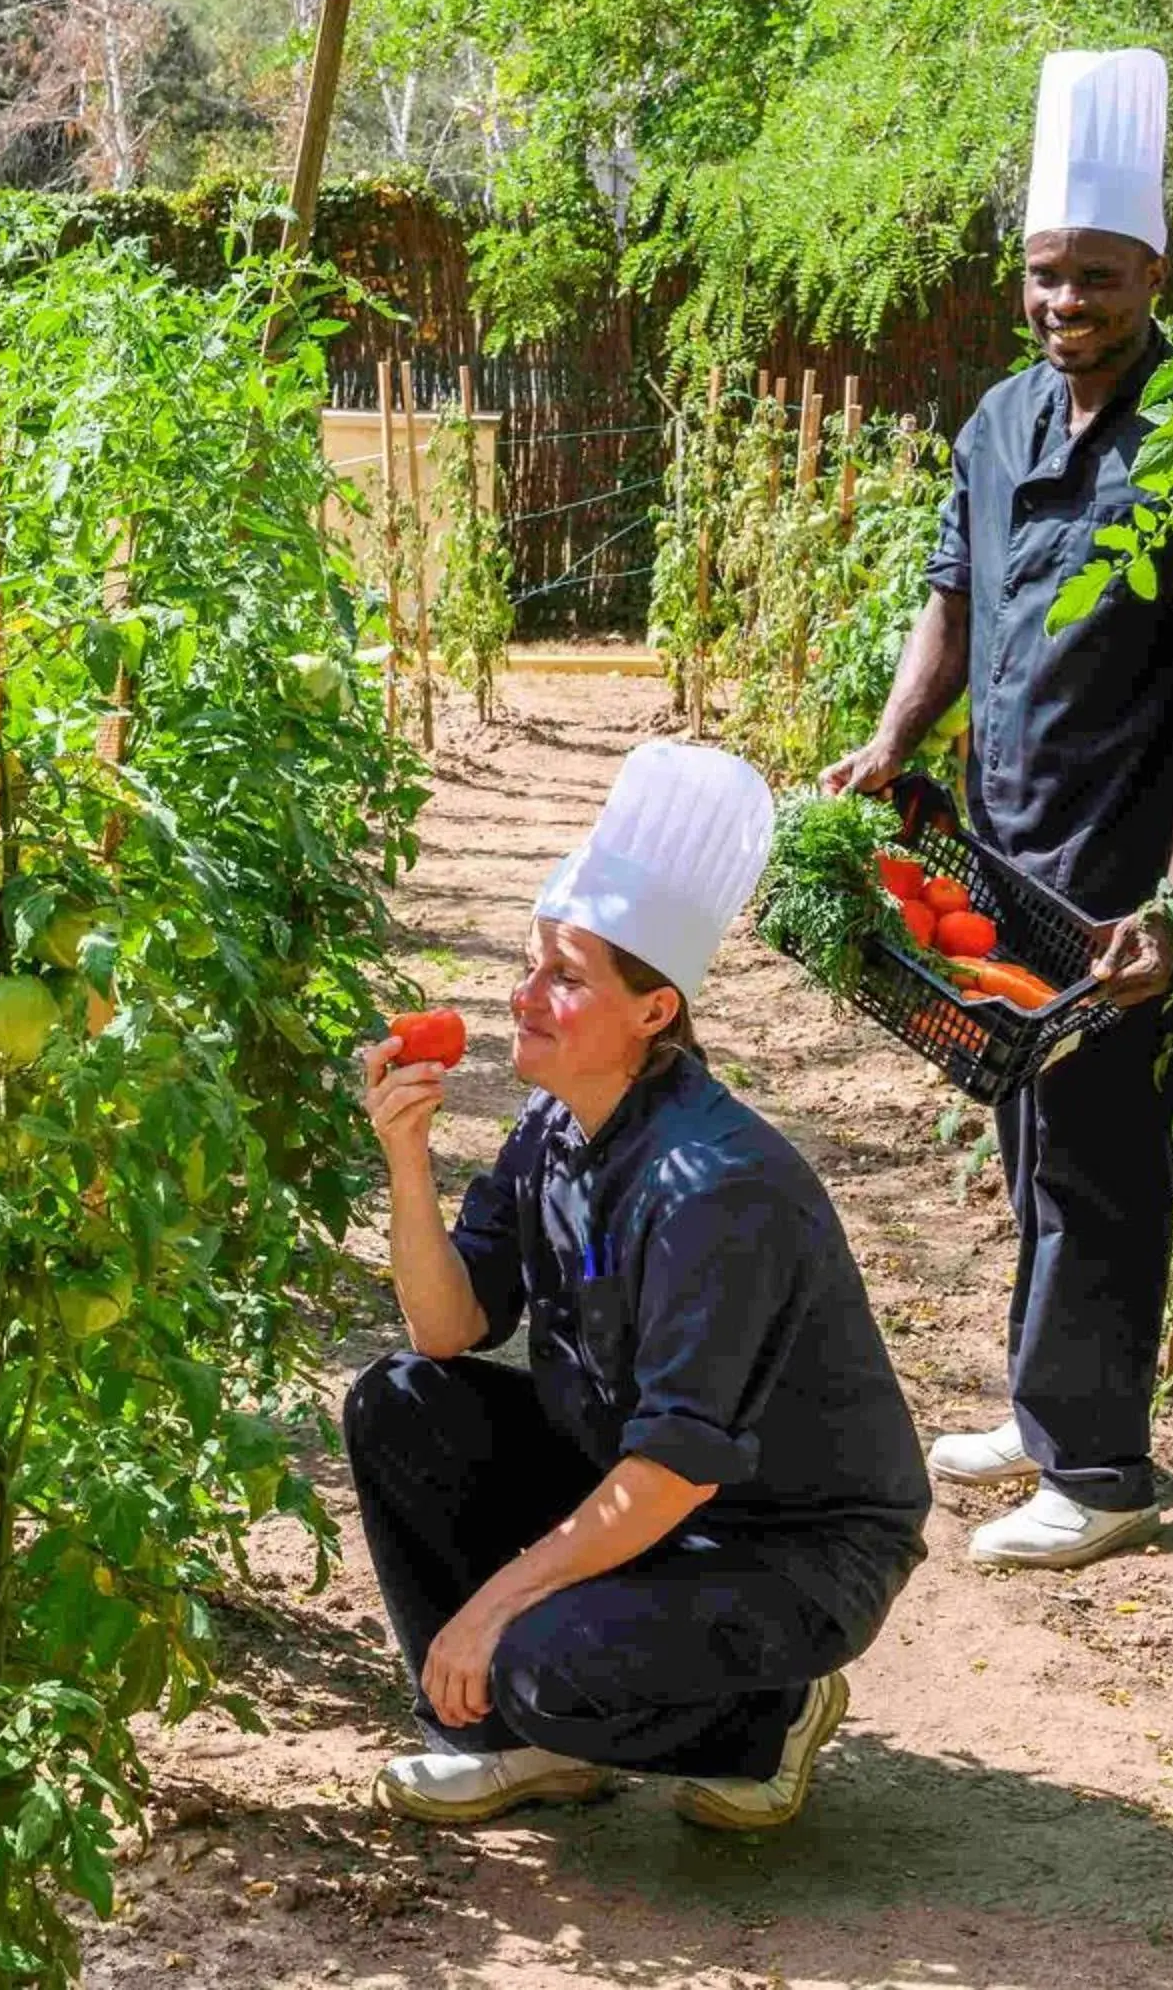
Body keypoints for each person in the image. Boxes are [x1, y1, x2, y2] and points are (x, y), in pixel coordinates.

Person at [823, 48, 1173, 1572]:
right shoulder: (1002, 420)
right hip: (998, 842)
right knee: (1027, 1129)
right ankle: (1044, 1404)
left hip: (1116, 869)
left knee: (1099, 1154)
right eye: (1043, 275)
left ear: (1154, 268)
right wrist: (892, 741)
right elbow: (948, 608)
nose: (1064, 300)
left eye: (1095, 275)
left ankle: (1100, 1466)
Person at [344, 741, 931, 1829]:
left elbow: (672, 1473)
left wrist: (492, 1606)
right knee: (399, 1401)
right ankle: (509, 1748)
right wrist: (409, 1162)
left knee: (535, 1662)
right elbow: (445, 1329)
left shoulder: (716, 1189)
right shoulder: (555, 1129)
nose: (523, 997)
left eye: (563, 978)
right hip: (641, 1482)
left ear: (655, 1013)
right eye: (531, 964)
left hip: (787, 1545)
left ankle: (773, 1718)